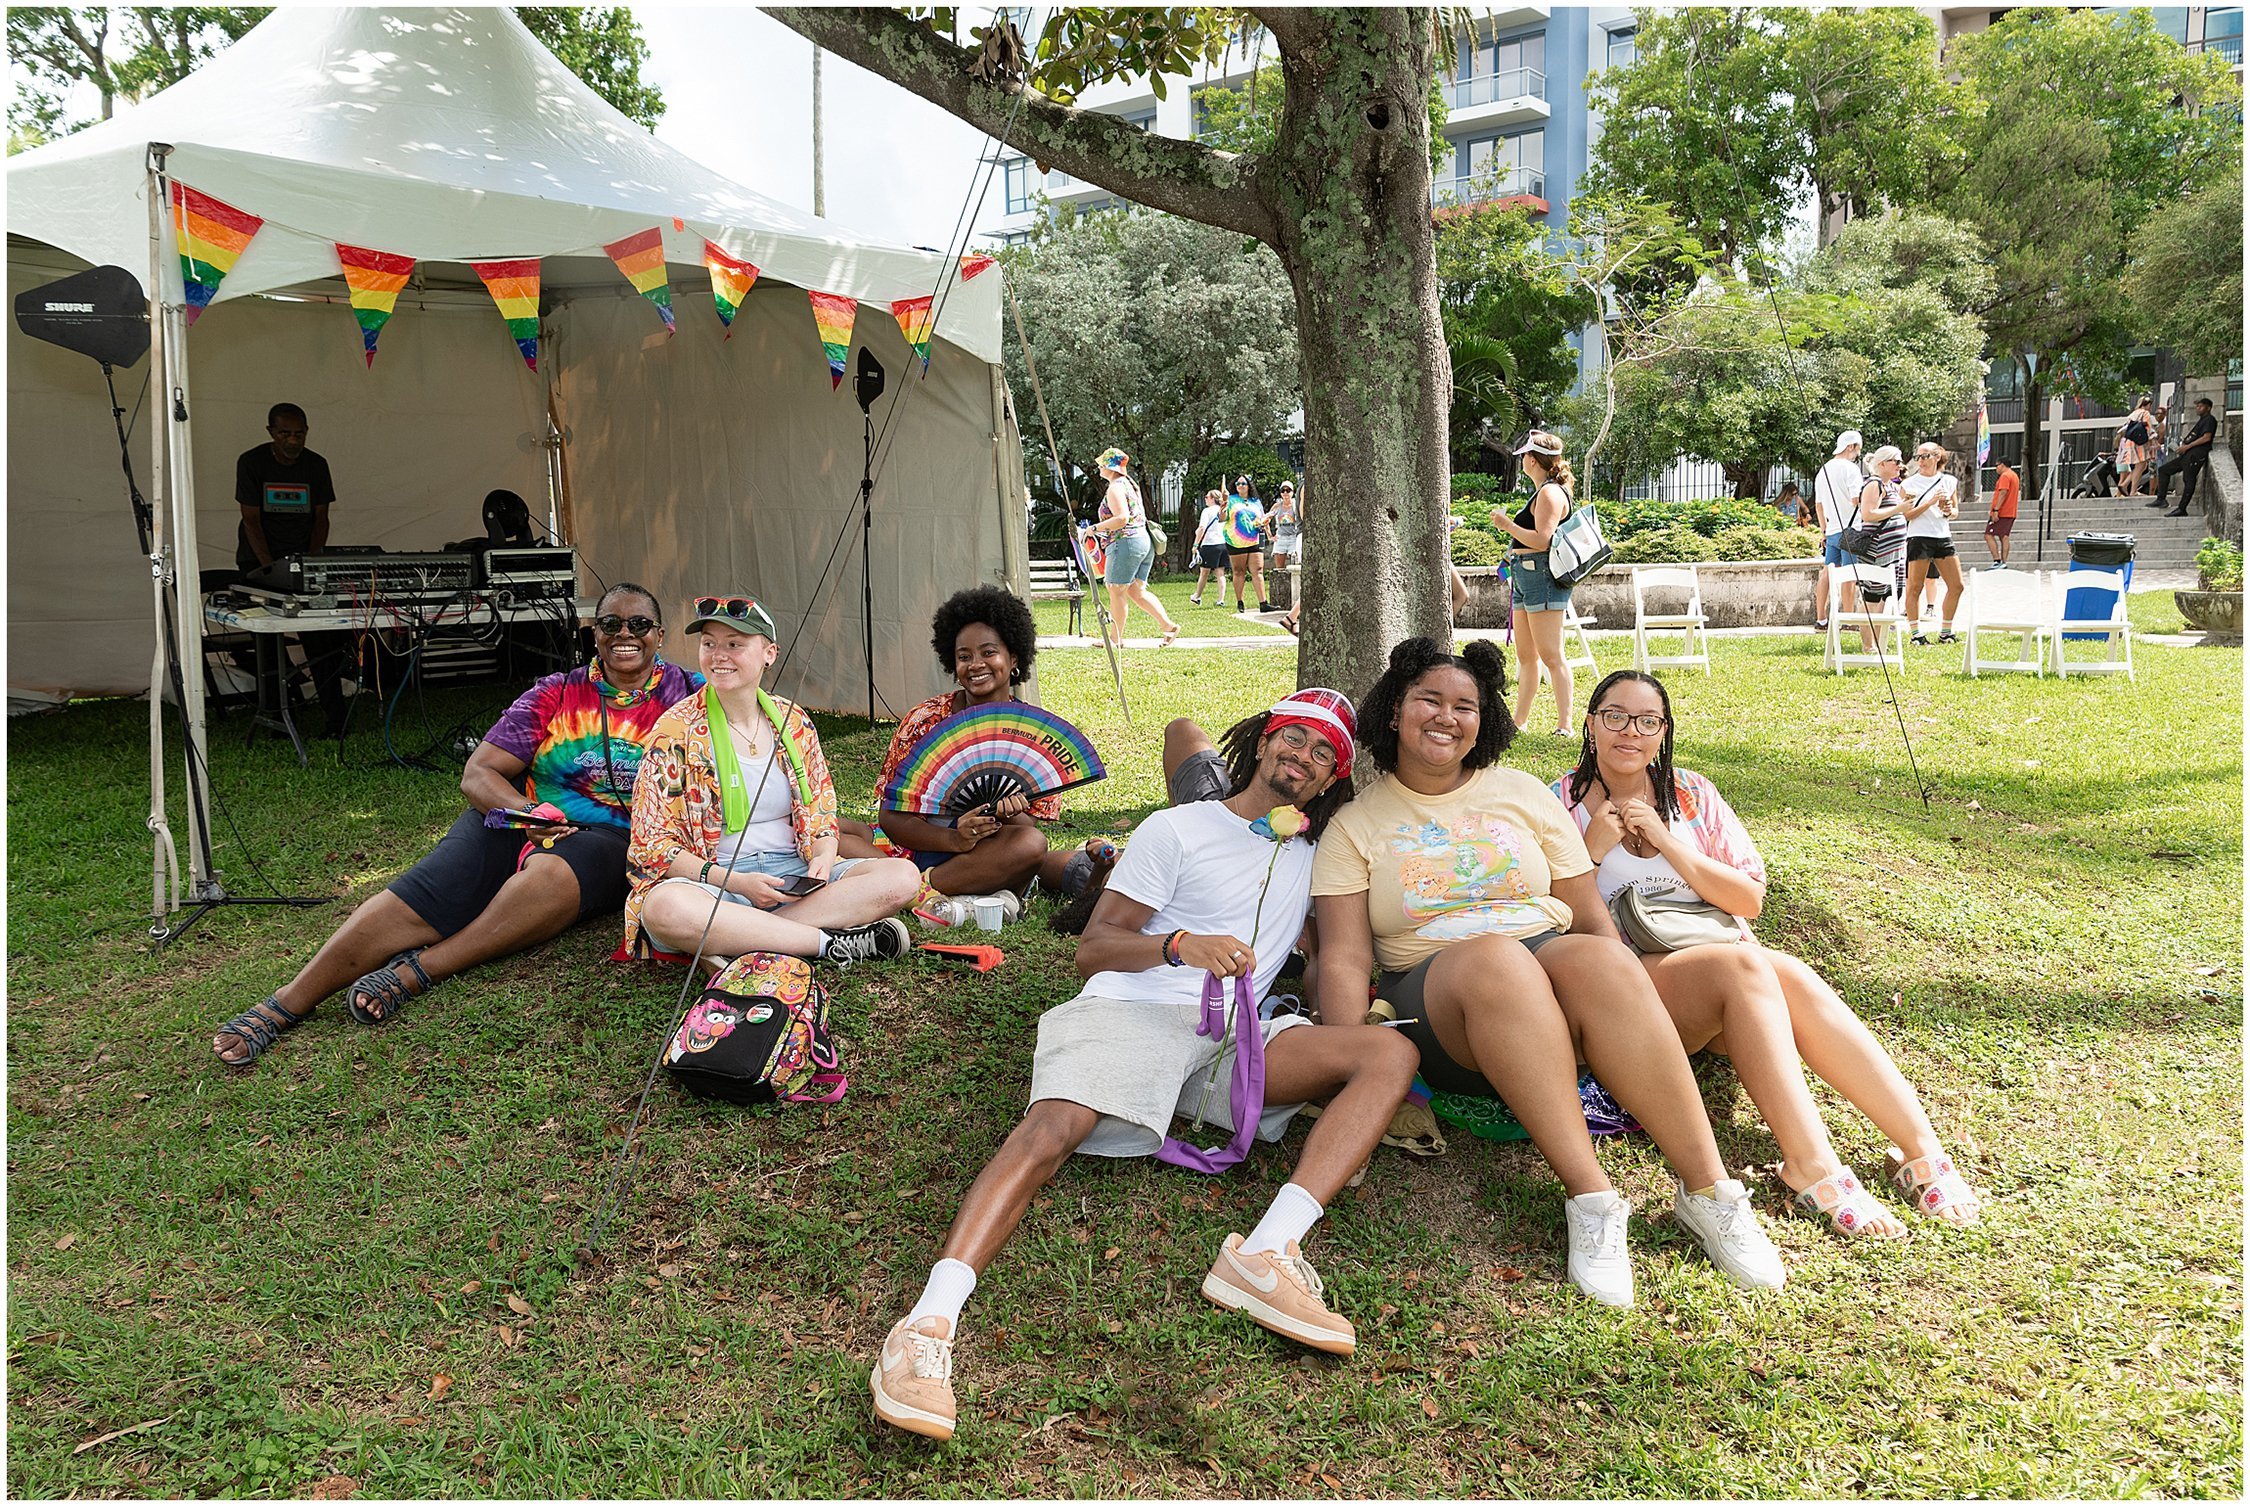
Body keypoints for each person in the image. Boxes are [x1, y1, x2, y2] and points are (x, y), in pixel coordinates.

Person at [871, 691, 1422, 1442]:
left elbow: (1333, 954)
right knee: (1051, 1131)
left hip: (1234, 1039)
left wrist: (1340, 1028)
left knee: (1389, 1053)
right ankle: (926, 1327)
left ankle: (1266, 1252)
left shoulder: (1315, 857)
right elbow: (1094, 950)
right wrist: (1179, 944)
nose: (1303, 756)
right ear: (1263, 741)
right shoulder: (1179, 828)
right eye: (1294, 738)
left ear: (1332, 779)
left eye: (1324, 753)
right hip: (1136, 1010)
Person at [1311, 638, 1787, 1307]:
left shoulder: (1522, 794)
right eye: (1429, 700)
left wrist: (1623, 995)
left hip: (1545, 962)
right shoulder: (1356, 826)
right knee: (1496, 957)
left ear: (1484, 718)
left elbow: (1586, 912)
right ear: (1395, 710)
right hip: (1437, 997)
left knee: (1600, 954)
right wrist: (1347, 1059)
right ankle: (1593, 1200)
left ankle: (1709, 1192)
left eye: (1465, 705)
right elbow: (1344, 956)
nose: (1447, 716)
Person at [1552, 670, 1984, 1239]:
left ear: (1664, 731)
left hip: (1725, 970)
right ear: (1590, 723)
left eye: (1647, 721)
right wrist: (1591, 851)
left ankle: (1920, 1148)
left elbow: (1747, 900)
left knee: (1791, 975)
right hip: (1634, 986)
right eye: (1615, 716)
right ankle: (1811, 1164)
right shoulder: (1559, 804)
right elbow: (1554, 917)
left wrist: (1667, 841)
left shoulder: (1692, 794)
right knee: (1746, 965)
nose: (1630, 731)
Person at [211, 584, 698, 1065]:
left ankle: (419, 970)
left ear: (659, 634)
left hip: (617, 837)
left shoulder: (691, 696)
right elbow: (479, 773)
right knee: (424, 891)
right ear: (594, 634)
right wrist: (526, 813)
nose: (624, 634)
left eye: (639, 624)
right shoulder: (557, 691)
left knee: (547, 879)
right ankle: (286, 1002)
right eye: (611, 623)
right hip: (528, 816)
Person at [621, 595, 920, 967]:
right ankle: (826, 942)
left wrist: (824, 857)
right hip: (715, 883)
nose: (718, 656)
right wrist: (734, 882)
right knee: (665, 908)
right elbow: (650, 844)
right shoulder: (674, 729)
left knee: (902, 877)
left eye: (735, 644)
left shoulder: (793, 721)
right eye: (709, 644)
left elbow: (821, 812)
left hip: (793, 875)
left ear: (769, 653)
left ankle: (739, 939)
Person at [873, 586, 1117, 917]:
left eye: (989, 652)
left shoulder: (1034, 735)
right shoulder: (926, 720)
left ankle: (917, 892)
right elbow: (890, 816)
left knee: (1032, 844)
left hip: (991, 854)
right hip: (925, 848)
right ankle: (930, 891)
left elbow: (1027, 830)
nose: (976, 665)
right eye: (964, 657)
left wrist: (1008, 813)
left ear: (1013, 658)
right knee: (840, 833)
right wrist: (954, 840)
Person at [234, 401, 350, 732]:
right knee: (268, 643)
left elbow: (321, 518)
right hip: (258, 561)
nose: (293, 440)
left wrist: (309, 562)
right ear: (271, 432)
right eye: (285, 433)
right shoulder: (251, 462)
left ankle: (336, 719)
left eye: (299, 434)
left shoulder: (316, 465)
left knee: (320, 641)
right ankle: (276, 716)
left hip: (301, 561)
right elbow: (251, 520)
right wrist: (270, 569)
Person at [1489, 430, 1579, 738]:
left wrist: (1507, 525)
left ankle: (1565, 725)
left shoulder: (1550, 493)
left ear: (1532, 459)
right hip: (1524, 574)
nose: (1523, 461)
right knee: (1527, 656)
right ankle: (1519, 722)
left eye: (1525, 456)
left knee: (1551, 655)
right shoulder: (1543, 491)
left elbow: (1543, 540)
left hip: (1541, 575)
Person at [1083, 447, 1180, 648]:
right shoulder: (1129, 484)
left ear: (1110, 467)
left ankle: (1115, 639)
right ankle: (1168, 626)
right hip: (1143, 541)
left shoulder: (1115, 488)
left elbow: (1121, 518)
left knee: (1115, 589)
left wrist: (1093, 529)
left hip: (1125, 543)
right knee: (1136, 591)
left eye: (1102, 464)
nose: (1099, 467)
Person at [1899, 442, 1964, 645]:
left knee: (1957, 585)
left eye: (1925, 456)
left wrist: (1948, 510)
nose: (1921, 461)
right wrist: (1929, 502)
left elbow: (1955, 511)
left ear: (1937, 457)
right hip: (1919, 537)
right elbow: (1906, 514)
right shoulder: (1909, 484)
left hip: (1942, 535)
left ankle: (1946, 632)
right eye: (1918, 457)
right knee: (1915, 587)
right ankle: (1916, 634)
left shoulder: (1949, 481)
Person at [1813, 430, 1865, 631]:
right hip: (1851, 529)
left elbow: (1819, 505)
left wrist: (1824, 531)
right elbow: (1856, 499)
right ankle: (1848, 619)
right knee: (1849, 574)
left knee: (1827, 572)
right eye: (1857, 449)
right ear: (1851, 446)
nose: (1857, 454)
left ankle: (1821, 619)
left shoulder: (1823, 470)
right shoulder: (1851, 469)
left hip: (1832, 529)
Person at [2153, 397, 2218, 517]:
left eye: (2201, 406)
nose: (2198, 408)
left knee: (2189, 479)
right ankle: (2161, 499)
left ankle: (2182, 508)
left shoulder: (2209, 420)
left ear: (2208, 408)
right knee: (2164, 470)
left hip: (2196, 454)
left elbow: (2206, 437)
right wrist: (2183, 447)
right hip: (2187, 453)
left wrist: (2187, 447)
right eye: (2197, 406)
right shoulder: (2201, 421)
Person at [1223, 475, 1273, 614]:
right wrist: (1223, 507)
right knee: (1239, 571)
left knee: (1258, 570)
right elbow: (1222, 518)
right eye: (1238, 483)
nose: (1240, 486)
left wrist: (1265, 523)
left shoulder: (1255, 501)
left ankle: (1263, 603)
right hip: (1236, 540)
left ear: (1249, 485)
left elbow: (1261, 517)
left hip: (1255, 538)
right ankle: (1240, 601)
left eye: (1243, 483)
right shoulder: (1231, 500)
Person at [1188, 489, 1229, 605]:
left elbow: (1202, 528)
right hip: (1222, 544)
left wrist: (1195, 544)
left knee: (1204, 572)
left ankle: (1197, 596)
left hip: (1209, 544)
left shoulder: (1207, 511)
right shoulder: (1223, 511)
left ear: (1212, 499)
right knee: (1220, 573)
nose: (1205, 499)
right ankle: (1221, 599)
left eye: (1207, 497)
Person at [2115, 396, 2156, 498]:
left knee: (2141, 466)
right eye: (2150, 405)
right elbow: (2149, 428)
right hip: (2140, 443)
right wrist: (2153, 441)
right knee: (2141, 465)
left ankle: (2125, 485)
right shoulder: (2145, 413)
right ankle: (2132, 490)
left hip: (2130, 442)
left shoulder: (2133, 414)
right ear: (2147, 405)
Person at [1982, 460, 2020, 569]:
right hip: (2011, 512)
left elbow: (2003, 492)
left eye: (1997, 465)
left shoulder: (2005, 476)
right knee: (2004, 536)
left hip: (2002, 512)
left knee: (1988, 535)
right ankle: (2003, 562)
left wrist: (1996, 510)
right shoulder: (2014, 476)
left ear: (2002, 465)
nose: (1996, 468)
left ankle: (1997, 560)